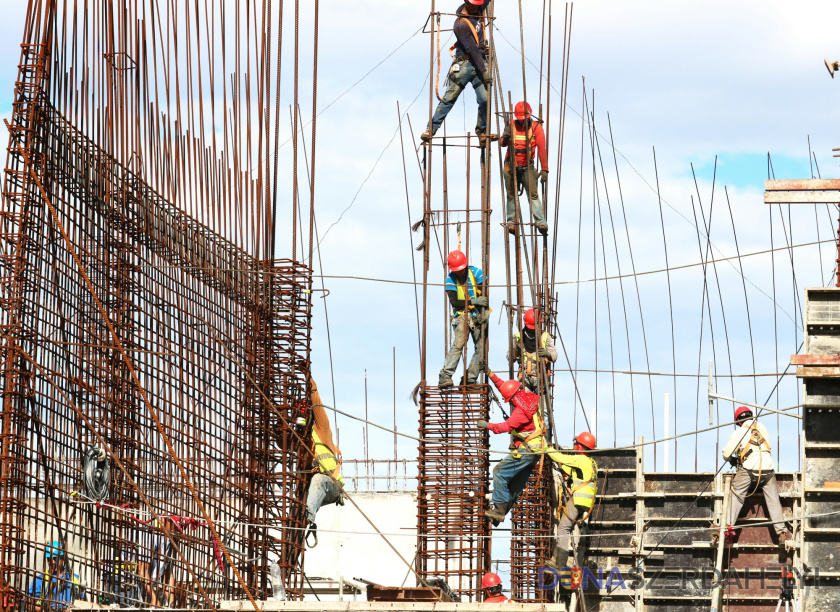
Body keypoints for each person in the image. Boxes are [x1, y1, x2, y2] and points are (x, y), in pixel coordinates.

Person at [421, 0, 493, 142]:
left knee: (485, 100)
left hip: (480, 62)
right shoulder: (460, 24)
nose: (476, 6)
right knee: (449, 98)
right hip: (466, 63)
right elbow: (472, 50)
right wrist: (484, 71)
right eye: (473, 4)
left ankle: (482, 131)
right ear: (466, 2)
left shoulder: (478, 9)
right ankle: (431, 128)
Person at [719, 406, 791, 544]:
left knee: (737, 494)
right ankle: (781, 531)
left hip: (749, 469)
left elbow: (726, 453)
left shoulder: (741, 431)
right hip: (768, 469)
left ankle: (727, 526)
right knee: (774, 500)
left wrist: (733, 460)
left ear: (739, 421)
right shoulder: (762, 427)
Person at [480, 370, 544, 524]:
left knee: (499, 472)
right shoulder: (529, 399)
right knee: (515, 485)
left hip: (527, 450)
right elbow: (505, 386)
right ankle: (500, 512)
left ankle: (499, 510)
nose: (508, 402)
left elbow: (505, 427)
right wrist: (490, 374)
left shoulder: (520, 412)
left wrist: (487, 425)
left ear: (512, 397)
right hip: (535, 451)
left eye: (508, 400)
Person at [545, 433, 598, 572]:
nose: (574, 446)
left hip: (578, 498)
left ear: (580, 446)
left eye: (576, 444)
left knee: (563, 528)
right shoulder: (591, 462)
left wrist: (546, 448)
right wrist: (561, 467)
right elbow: (570, 468)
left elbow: (561, 458)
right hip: (587, 501)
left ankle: (559, 563)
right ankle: (558, 561)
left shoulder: (580, 458)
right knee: (567, 528)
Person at [304, 377, 345, 546]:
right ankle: (302, 517)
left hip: (332, 485)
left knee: (319, 479)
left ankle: (308, 517)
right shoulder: (301, 441)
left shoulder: (320, 429)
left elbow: (317, 405)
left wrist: (310, 383)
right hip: (314, 490)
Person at [440, 250, 488, 388]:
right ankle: (445, 376)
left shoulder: (477, 273)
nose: (459, 272)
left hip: (477, 316)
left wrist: (485, 309)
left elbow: (484, 294)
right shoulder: (450, 279)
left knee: (481, 348)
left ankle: (470, 378)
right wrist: (474, 302)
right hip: (461, 316)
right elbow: (455, 302)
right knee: (459, 344)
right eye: (457, 270)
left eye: (461, 270)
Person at [500, 101, 549, 235]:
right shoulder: (511, 125)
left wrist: (544, 169)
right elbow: (502, 144)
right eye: (520, 119)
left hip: (528, 167)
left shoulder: (536, 127)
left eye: (524, 119)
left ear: (529, 116)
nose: (522, 122)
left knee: (533, 196)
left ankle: (541, 222)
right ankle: (511, 222)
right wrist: (505, 136)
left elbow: (542, 149)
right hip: (511, 166)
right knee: (511, 195)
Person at [507, 308, 557, 393]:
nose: (532, 329)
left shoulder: (545, 336)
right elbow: (510, 358)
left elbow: (554, 356)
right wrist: (516, 350)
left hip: (541, 378)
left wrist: (547, 354)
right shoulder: (518, 337)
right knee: (526, 404)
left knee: (543, 406)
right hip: (525, 379)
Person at [28, 541, 84, 612]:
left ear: (63, 558)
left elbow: (83, 602)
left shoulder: (75, 579)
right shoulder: (40, 579)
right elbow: (29, 603)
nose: (52, 562)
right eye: (49, 559)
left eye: (55, 559)